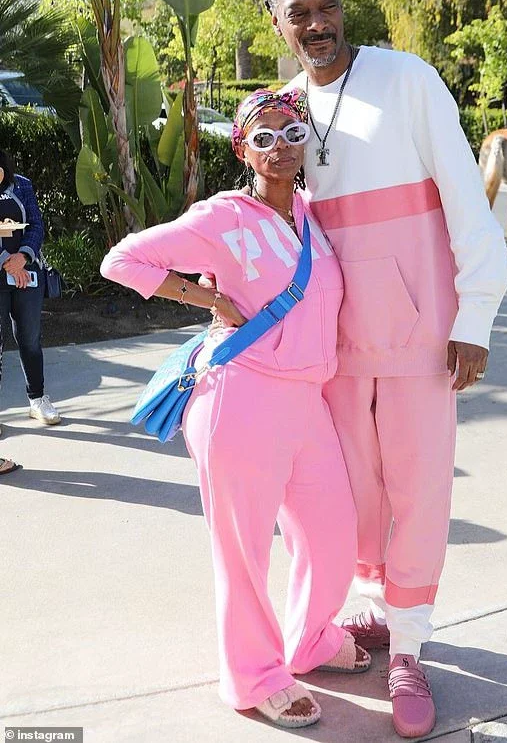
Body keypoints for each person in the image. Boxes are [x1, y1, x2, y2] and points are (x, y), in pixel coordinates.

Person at [255, 0, 507, 738]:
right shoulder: (286, 109)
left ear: (343, 8)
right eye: (299, 13)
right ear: (279, 25)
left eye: (325, 6)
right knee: (352, 497)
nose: (317, 23)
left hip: (421, 336)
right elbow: (272, 223)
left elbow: (467, 198)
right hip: (332, 348)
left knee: (420, 489)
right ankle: (371, 613)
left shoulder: (408, 80)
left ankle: (408, 648)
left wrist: (478, 314)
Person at [100, 89, 370, 729]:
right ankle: (254, 676)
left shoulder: (311, 213)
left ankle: (308, 640)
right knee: (245, 550)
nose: (280, 147)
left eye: (291, 132)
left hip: (308, 399)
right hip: (240, 396)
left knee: (333, 536)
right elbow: (123, 260)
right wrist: (208, 300)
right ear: (243, 148)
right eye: (264, 136)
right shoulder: (225, 216)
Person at [0, 150, 61, 425]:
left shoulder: (22, 184)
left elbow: (36, 224)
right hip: (5, 272)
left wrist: (23, 256)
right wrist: (6, 262)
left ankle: (37, 399)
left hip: (27, 275)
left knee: (30, 339)